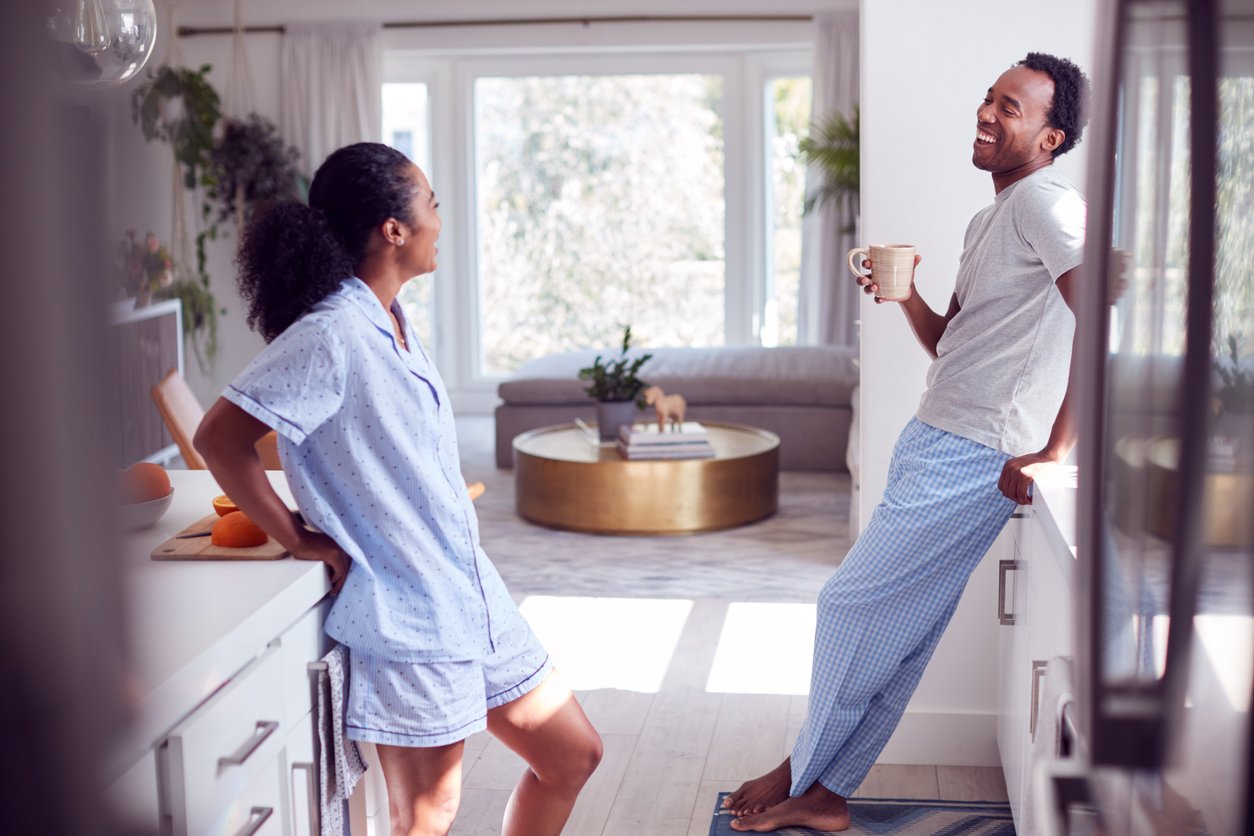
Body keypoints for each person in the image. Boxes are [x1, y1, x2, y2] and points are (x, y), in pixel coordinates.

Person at [723, 52, 1091, 832]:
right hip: (938, 438)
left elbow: (1104, 317)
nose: (989, 114)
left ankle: (804, 771)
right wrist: (905, 297)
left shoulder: (1046, 205)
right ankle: (824, 791)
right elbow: (957, 343)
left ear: (1053, 137)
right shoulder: (992, 214)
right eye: (989, 98)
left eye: (1012, 108)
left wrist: (1056, 451)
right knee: (901, 630)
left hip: (974, 453)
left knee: (846, 605)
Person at [194, 142, 602, 836]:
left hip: (470, 593)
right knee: (426, 817)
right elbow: (219, 439)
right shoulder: (331, 333)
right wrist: (293, 534)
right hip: (409, 612)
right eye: (432, 204)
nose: (440, 219)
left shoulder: (393, 319)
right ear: (393, 228)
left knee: (572, 755)